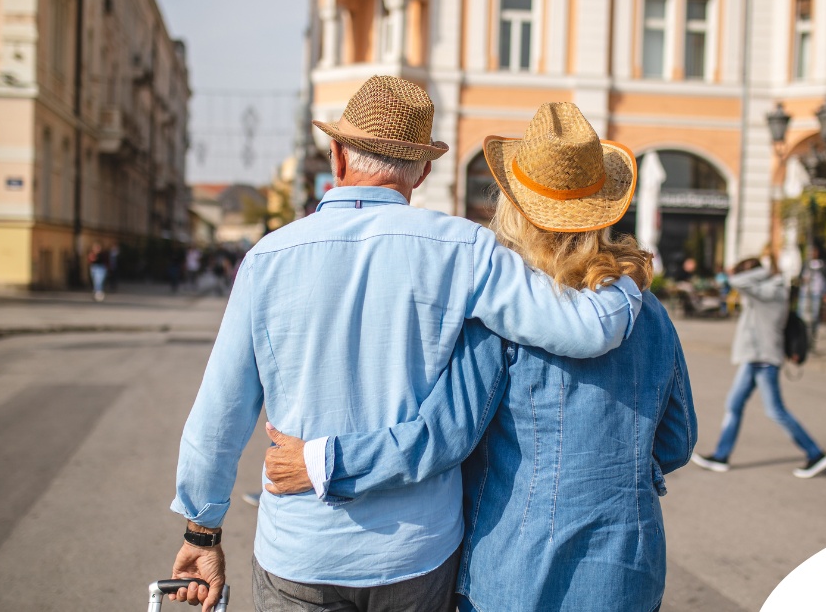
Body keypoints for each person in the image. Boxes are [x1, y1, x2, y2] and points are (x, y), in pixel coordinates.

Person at [168, 78, 643, 612]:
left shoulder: (268, 258)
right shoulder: (464, 249)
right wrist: (625, 274)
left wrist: (201, 532)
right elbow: (586, 330)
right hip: (416, 552)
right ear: (423, 171)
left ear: (337, 155)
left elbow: (218, 416)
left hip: (300, 551)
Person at [261, 102, 696, 611]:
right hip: (629, 570)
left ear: (514, 204)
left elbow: (442, 437)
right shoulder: (648, 311)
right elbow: (676, 440)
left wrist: (324, 461)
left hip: (517, 567)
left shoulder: (504, 315)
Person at [691, 256, 826, 479]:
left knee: (775, 410)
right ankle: (721, 456)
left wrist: (761, 271)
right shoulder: (764, 290)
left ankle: (815, 454)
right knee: (734, 404)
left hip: (764, 359)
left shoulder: (772, 292)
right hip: (753, 358)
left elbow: (737, 281)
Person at [799, 246, 826, 344]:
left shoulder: (822, 264)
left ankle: (812, 336)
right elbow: (800, 278)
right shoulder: (805, 264)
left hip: (817, 293)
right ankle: (803, 337)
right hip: (805, 293)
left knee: (815, 316)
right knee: (802, 315)